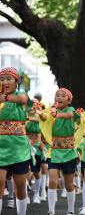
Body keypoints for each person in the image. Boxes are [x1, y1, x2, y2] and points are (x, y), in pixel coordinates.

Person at [37, 88, 79, 215]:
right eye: (57, 95)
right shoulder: (51, 110)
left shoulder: (71, 110)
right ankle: (51, 211)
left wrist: (57, 114)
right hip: (54, 151)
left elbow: (68, 116)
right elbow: (45, 118)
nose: (59, 98)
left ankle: (70, 211)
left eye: (62, 96)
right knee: (53, 181)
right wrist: (40, 113)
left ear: (69, 100)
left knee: (69, 183)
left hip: (68, 152)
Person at [0, 67, 32, 215]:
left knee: (20, 188)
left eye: (8, 78)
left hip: (19, 149)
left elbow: (22, 99)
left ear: (16, 81)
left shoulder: (22, 96)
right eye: (2, 79)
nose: (5, 82)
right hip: (1, 147)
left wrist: (4, 98)